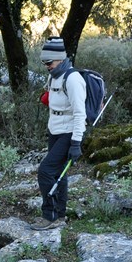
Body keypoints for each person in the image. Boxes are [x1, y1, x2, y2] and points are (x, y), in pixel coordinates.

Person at [31, 36, 86, 231]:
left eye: (49, 62)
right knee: (59, 175)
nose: (46, 65)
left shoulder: (73, 79)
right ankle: (60, 215)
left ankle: (49, 216)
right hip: (54, 129)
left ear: (61, 59)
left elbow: (81, 113)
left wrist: (76, 143)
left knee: (45, 171)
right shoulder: (54, 75)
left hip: (69, 132)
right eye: (44, 62)